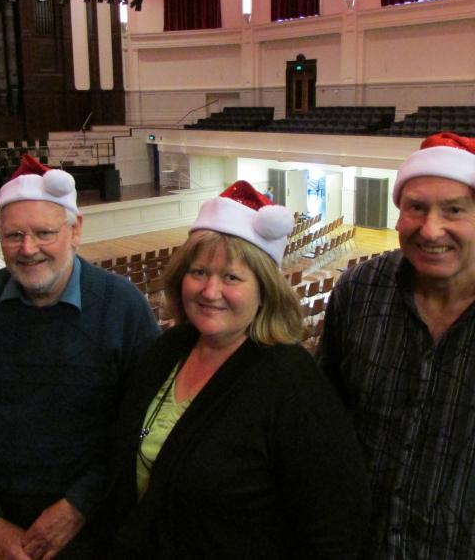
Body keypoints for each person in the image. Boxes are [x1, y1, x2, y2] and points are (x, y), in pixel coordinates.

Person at [111, 180, 370, 559]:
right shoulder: (166, 350)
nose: (210, 291)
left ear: (264, 290)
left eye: (231, 277)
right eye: (198, 272)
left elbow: (334, 529)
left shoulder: (295, 386)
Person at [0, 155, 160, 560]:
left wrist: (78, 505)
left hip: (95, 529)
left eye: (44, 233)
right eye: (13, 236)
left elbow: (140, 426)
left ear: (75, 229)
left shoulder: (124, 307)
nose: (28, 250)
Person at [318, 132, 475, 559]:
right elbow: (326, 417)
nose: (431, 229)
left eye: (454, 210)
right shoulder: (359, 289)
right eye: (416, 208)